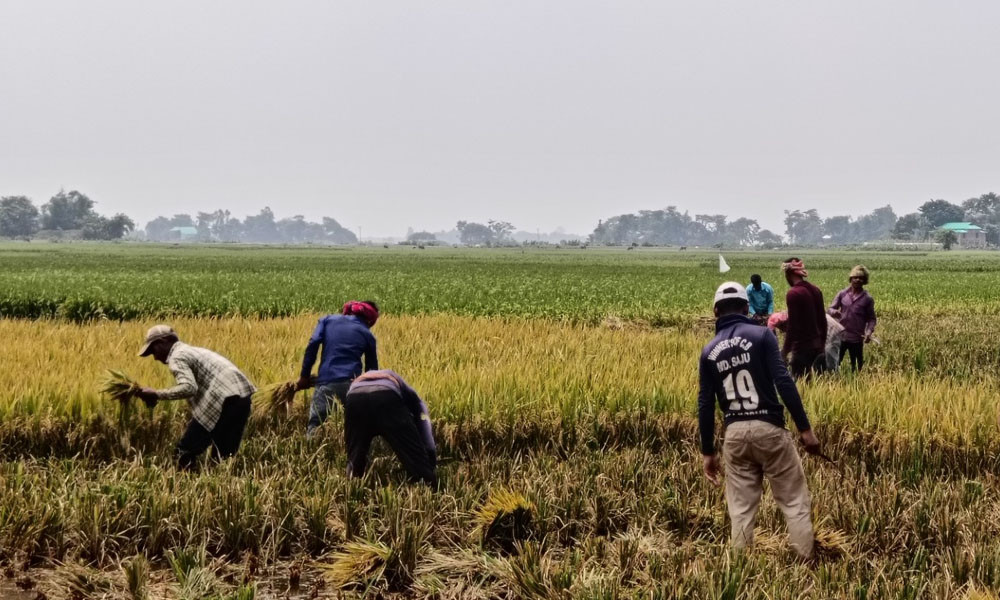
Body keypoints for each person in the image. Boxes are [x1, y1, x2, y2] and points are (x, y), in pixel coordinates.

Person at [699, 282, 821, 560]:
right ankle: (805, 562)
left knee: (740, 509)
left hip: (735, 434)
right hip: (769, 428)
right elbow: (783, 381)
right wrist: (805, 429)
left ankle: (740, 565)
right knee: (793, 501)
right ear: (746, 308)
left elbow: (705, 404)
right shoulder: (763, 335)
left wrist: (708, 452)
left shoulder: (709, 351)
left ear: (715, 312)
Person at [135, 325, 256, 470]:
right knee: (223, 456)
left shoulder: (177, 357)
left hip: (222, 399)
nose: (155, 357)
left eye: (153, 350)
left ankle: (184, 481)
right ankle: (220, 482)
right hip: (242, 398)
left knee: (184, 453)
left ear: (163, 341)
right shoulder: (192, 350)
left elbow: (189, 388)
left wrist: (156, 394)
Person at [298, 301, 380, 437]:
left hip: (327, 382)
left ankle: (313, 447)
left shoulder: (327, 320)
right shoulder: (368, 334)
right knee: (354, 430)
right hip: (353, 386)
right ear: (370, 320)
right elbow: (372, 371)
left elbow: (313, 343)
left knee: (316, 426)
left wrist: (304, 376)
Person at [342, 369, 437, 486]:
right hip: (386, 397)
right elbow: (422, 413)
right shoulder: (405, 389)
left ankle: (351, 485)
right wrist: (430, 450)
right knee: (416, 461)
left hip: (355, 398)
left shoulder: (360, 380)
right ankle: (427, 484)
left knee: (355, 459)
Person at [781, 258, 827, 379]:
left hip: (802, 348)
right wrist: (822, 345)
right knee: (816, 383)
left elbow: (793, 326)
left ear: (788, 274)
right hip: (817, 346)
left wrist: (784, 351)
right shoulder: (816, 290)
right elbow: (823, 320)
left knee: (800, 383)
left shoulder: (793, 293)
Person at [828, 265, 877, 372]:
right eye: (855, 277)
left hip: (856, 338)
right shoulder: (842, 294)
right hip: (841, 335)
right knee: (835, 363)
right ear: (851, 279)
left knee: (857, 367)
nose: (858, 280)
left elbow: (872, 319)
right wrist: (834, 312)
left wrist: (868, 332)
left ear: (865, 281)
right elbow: (830, 309)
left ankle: (856, 380)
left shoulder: (867, 298)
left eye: (861, 278)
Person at [769, 311, 845, 372]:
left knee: (830, 356)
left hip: (830, 329)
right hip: (821, 330)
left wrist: (786, 357)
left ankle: (834, 378)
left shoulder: (797, 320)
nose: (781, 330)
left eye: (780, 327)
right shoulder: (792, 321)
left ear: (784, 323)